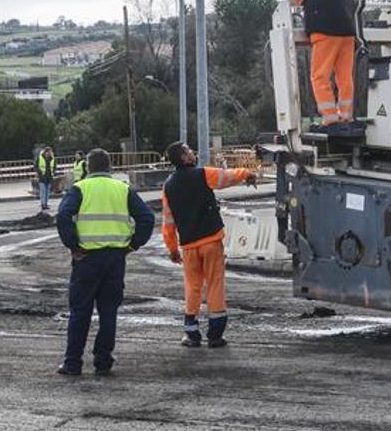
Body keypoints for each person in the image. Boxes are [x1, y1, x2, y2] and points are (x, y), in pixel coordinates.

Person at [55, 148, 155, 376]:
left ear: (88, 167)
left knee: (80, 311)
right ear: (110, 166)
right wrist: (132, 244)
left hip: (87, 258)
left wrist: (73, 245)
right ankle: (103, 361)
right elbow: (147, 217)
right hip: (115, 258)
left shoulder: (79, 189)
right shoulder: (123, 188)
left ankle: (72, 363)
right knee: (108, 311)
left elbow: (62, 216)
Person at [161, 142, 257, 348]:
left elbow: (168, 222)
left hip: (188, 246)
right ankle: (215, 334)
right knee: (214, 284)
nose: (192, 153)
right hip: (211, 240)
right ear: (184, 159)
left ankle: (191, 333)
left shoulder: (168, 186)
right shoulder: (203, 174)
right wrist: (246, 173)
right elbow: (227, 176)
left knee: (192, 287)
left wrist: (171, 248)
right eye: (188, 151)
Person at [288, 0, 356, 127]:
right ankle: (346, 115)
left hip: (325, 33)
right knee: (344, 76)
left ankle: (330, 117)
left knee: (319, 76)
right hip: (347, 32)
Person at [36, 147, 56, 211]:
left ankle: (46, 204)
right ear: (45, 152)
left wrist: (53, 172)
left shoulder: (53, 159)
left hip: (49, 177)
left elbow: (54, 167)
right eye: (48, 152)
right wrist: (40, 172)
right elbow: (36, 166)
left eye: (50, 152)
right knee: (43, 191)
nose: (49, 153)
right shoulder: (40, 158)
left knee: (47, 192)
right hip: (42, 177)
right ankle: (43, 204)